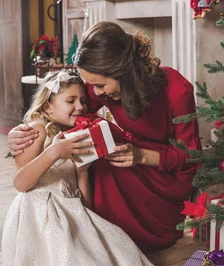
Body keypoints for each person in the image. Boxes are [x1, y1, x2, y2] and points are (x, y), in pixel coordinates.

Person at [8, 22, 202, 251]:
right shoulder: (100, 86)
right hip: (128, 157)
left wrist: (141, 155)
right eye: (91, 85)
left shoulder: (177, 90)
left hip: (165, 173)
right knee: (94, 136)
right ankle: (85, 237)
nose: (95, 93)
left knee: (102, 133)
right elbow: (63, 109)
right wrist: (23, 129)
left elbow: (190, 157)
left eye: (99, 85)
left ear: (123, 73)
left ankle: (111, 237)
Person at [2, 70, 161, 266]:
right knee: (62, 261)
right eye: (70, 100)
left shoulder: (75, 135)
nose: (80, 107)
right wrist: (54, 152)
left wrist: (83, 172)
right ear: (48, 106)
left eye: (83, 101)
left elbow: (82, 198)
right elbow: (21, 182)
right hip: (39, 214)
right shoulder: (37, 130)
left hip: (70, 209)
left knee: (112, 259)